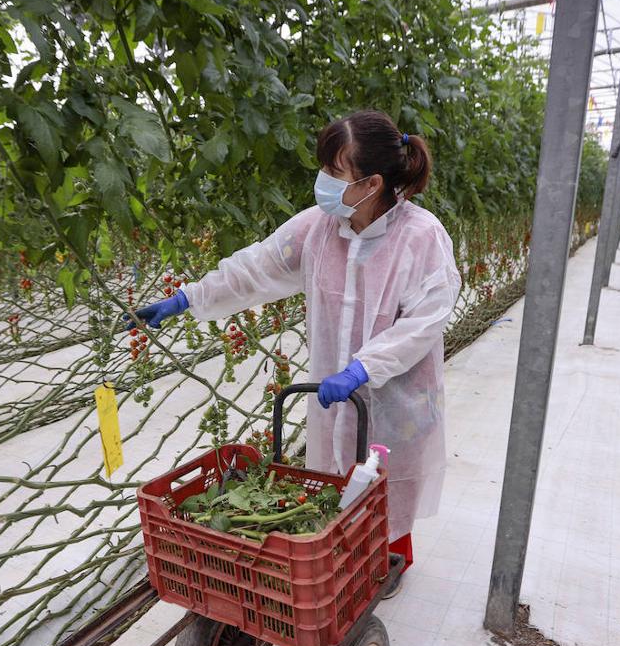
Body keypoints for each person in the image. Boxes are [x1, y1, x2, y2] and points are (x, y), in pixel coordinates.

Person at [129, 110, 461, 597]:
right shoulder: (320, 228)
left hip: (398, 395)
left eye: (334, 172)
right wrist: (189, 298)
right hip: (332, 390)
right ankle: (341, 561)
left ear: (371, 183)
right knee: (334, 478)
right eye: (323, 168)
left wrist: (365, 367)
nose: (323, 182)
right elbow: (256, 267)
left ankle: (389, 556)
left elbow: (426, 320)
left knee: (385, 478)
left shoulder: (421, 237)